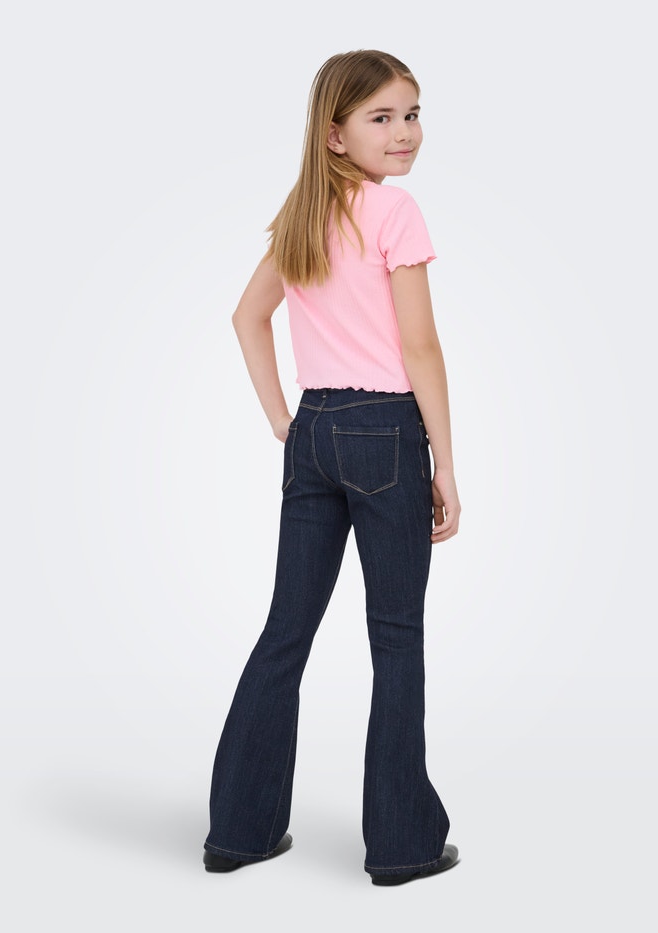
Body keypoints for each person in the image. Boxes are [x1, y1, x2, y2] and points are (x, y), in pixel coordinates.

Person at [203, 49, 461, 886]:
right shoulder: (395, 212)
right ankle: (402, 845)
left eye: (412, 113)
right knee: (397, 637)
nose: (404, 131)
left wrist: (288, 421)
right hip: (385, 432)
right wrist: (444, 463)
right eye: (382, 117)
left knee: (287, 629)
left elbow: (248, 318)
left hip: (314, 430)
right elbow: (420, 347)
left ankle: (238, 830)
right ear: (335, 134)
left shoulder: (302, 213)